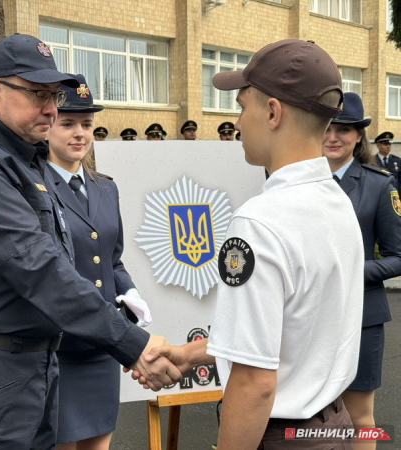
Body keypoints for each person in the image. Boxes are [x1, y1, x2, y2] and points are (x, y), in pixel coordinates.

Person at [0, 33, 178, 450]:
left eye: (54, 97)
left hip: (36, 363)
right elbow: (37, 266)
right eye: (37, 94)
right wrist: (132, 344)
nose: (50, 108)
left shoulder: (27, 162)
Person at [133, 39, 364, 449]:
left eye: (242, 106)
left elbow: (255, 381)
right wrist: (188, 354)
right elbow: (289, 335)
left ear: (272, 111)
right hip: (333, 425)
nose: (237, 122)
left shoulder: (259, 222)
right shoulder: (336, 201)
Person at [46, 73, 153, 450]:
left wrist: (131, 297)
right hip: (58, 347)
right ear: (47, 126)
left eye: (87, 124)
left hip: (101, 349)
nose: (80, 133)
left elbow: (113, 260)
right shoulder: (32, 187)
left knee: (99, 443)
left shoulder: (106, 187)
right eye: (68, 123)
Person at [322, 93, 401, 450]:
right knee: (312, 415)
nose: (333, 136)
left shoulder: (379, 184)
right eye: (326, 128)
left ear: (358, 136)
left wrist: (352, 272)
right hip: (310, 316)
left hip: (362, 317)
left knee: (359, 417)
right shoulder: (297, 181)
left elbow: (398, 256)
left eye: (344, 129)